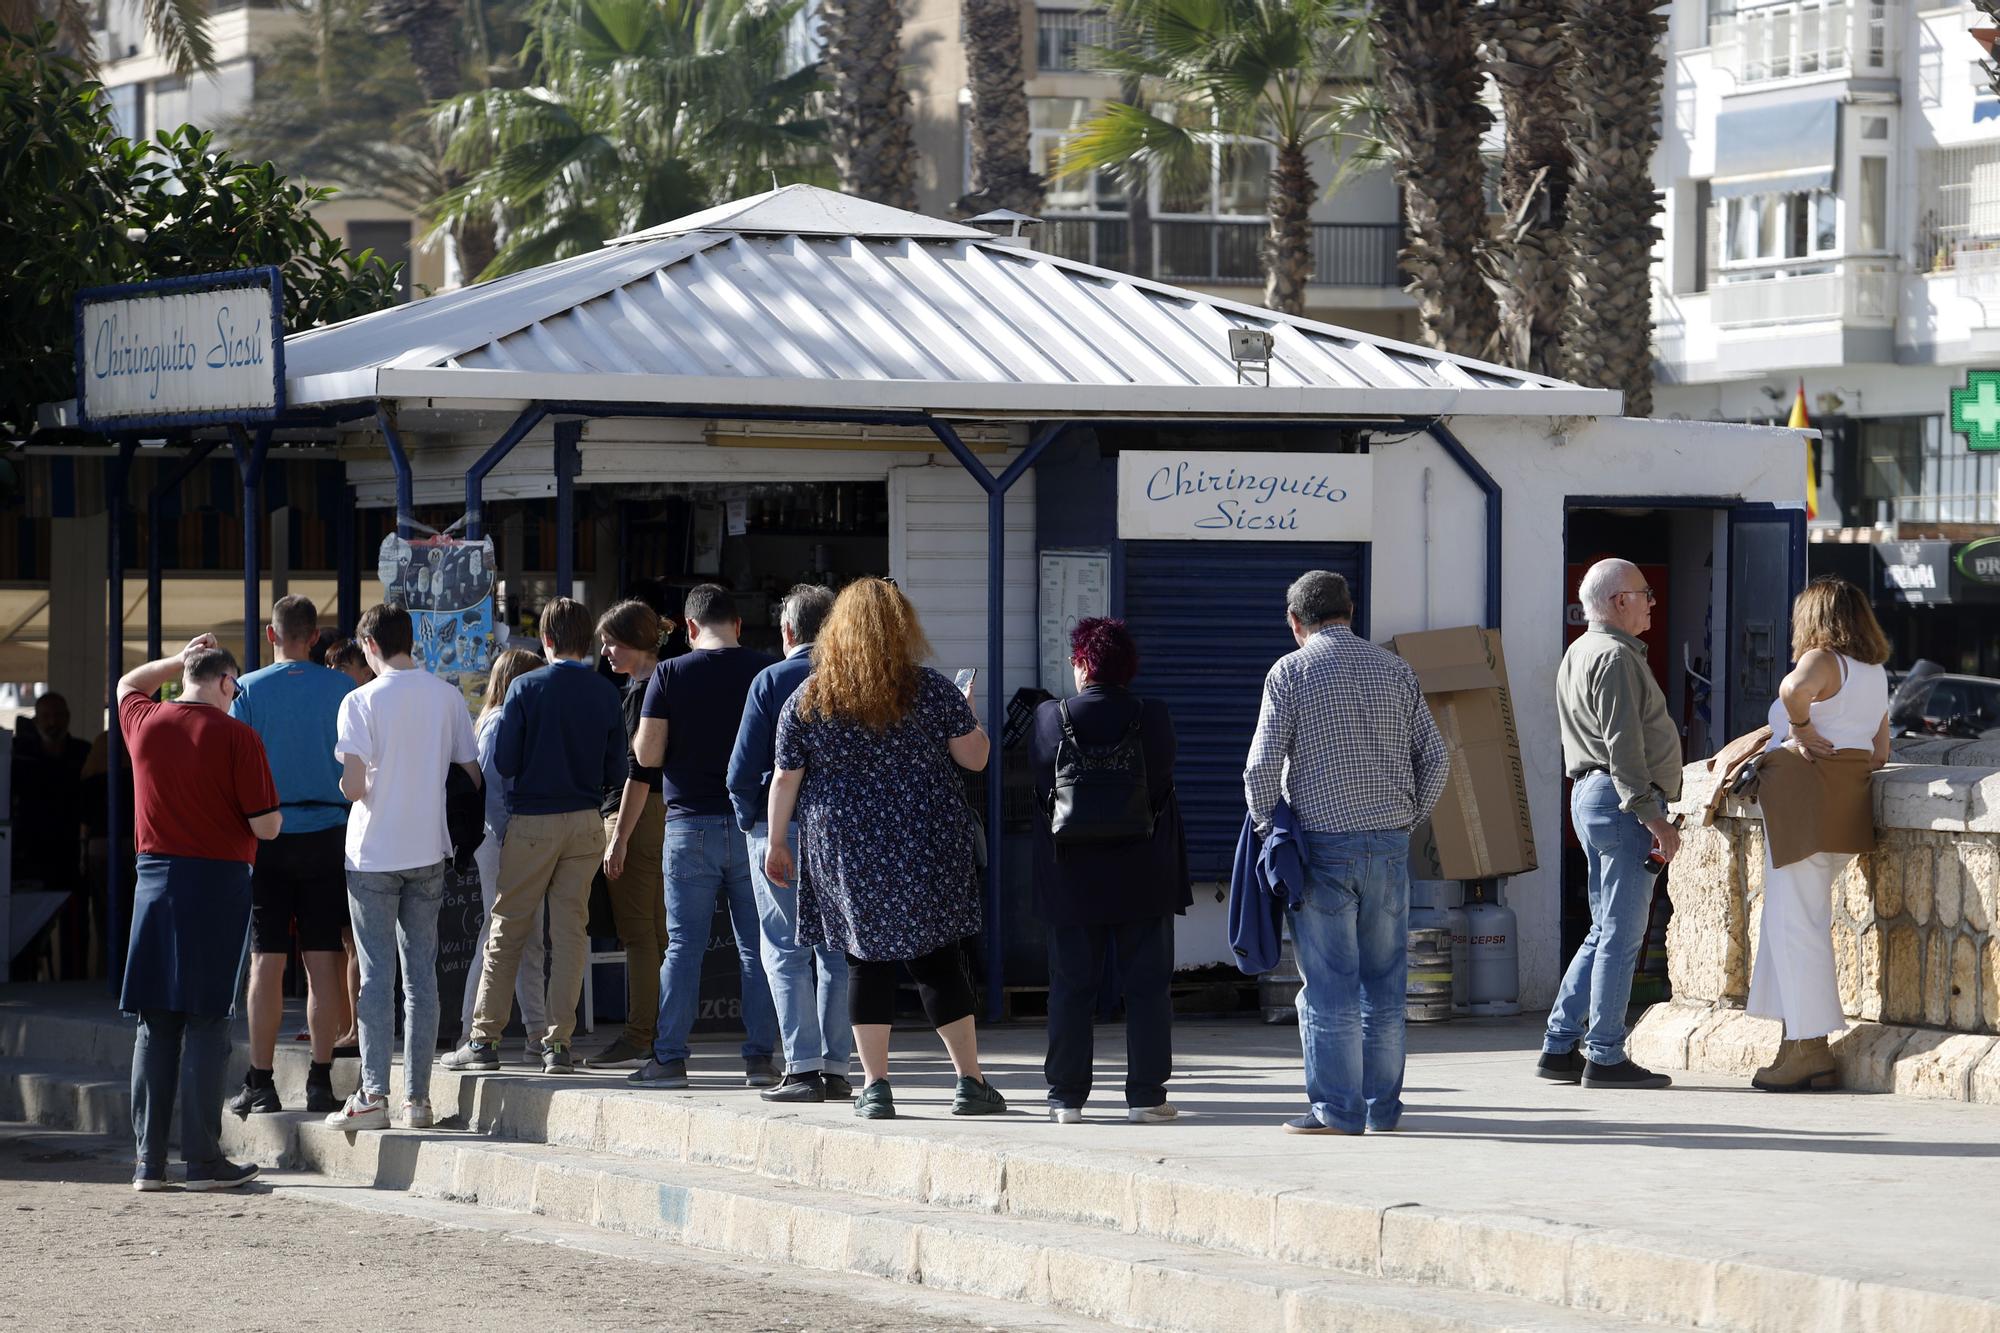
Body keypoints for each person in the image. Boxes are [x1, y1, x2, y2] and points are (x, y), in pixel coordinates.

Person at [763, 578, 1004, 1121]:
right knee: (937, 960)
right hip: (924, 843)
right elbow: (977, 759)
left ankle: (875, 1088)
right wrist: (968, 712)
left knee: (863, 963)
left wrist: (777, 842)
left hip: (845, 850)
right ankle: (970, 1083)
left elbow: (785, 777)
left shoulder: (809, 696)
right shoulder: (932, 690)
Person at [1243, 571, 1448, 1135]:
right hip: (1388, 846)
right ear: (1351, 611)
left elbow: (1261, 768)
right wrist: (1407, 818)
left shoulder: (1291, 671)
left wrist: (1268, 833)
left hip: (1322, 852)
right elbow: (1437, 759)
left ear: (1294, 623)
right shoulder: (1396, 669)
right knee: (1384, 986)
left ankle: (1336, 1111)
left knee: (1330, 986)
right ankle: (1382, 1111)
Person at [118, 635, 281, 1191]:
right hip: (217, 884)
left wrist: (178, 658)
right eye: (233, 687)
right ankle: (204, 1160)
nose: (235, 696)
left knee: (156, 1023)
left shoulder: (145, 722)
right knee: (208, 1022)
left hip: (154, 884)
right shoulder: (239, 736)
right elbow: (266, 825)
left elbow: (127, 684)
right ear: (223, 681)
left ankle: (148, 1163)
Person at [444, 598, 624, 1076]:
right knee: (570, 936)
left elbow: (502, 763)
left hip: (532, 823)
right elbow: (616, 770)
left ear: (546, 639)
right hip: (585, 822)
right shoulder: (606, 692)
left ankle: (484, 1041)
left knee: (507, 929)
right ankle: (558, 1045)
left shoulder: (524, 688)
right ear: (587, 641)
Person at [325, 603, 481, 1132]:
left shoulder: (358, 700)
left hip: (372, 853)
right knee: (422, 979)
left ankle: (373, 1094)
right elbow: (471, 773)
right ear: (409, 641)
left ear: (368, 646)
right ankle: (417, 1099)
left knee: (375, 978)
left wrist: (369, 779)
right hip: (428, 849)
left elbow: (351, 787)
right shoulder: (446, 695)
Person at [1030, 617, 1190, 1124]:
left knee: (1071, 986)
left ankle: (1066, 1099)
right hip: (1144, 874)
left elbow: (1039, 785)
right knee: (1147, 988)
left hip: (1072, 878)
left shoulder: (1048, 718)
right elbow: (1162, 780)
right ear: (1128, 668)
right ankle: (1146, 1097)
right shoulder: (1155, 715)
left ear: (1081, 664)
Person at [627, 584, 782, 1090]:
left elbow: (648, 756)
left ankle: (669, 1058)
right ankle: (761, 1059)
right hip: (752, 824)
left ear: (689, 629)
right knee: (758, 947)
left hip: (688, 824)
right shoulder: (765, 672)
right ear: (737, 625)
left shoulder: (670, 673)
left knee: (682, 947)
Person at [1540, 557, 1683, 1091]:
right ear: (1619, 600)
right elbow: (1625, 748)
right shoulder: (1617, 658)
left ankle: (1559, 1046)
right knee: (1622, 935)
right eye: (1645, 593)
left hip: (1592, 796)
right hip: (1622, 802)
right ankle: (1603, 1053)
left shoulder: (1581, 650)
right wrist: (1655, 819)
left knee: (1603, 929)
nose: (1651, 601)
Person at [1747, 577, 1892, 1093]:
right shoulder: (1873, 674)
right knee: (1792, 921)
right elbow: (1880, 753)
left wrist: (1803, 730)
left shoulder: (1821, 660)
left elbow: (1791, 691)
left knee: (1795, 925)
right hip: (1841, 807)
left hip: (1802, 806)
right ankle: (1796, 1044)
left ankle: (1810, 1048)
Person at [224, 595, 357, 1118]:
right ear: (317, 635)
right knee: (324, 957)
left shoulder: (249, 691)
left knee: (267, 959)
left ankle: (261, 1080)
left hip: (268, 832)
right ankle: (321, 1080)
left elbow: (232, 769)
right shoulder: (344, 688)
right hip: (331, 830)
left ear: (271, 634)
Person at [726, 584, 853, 1103]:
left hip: (782, 832)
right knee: (838, 953)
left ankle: (800, 1068)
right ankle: (839, 1067)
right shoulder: (854, 680)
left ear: (787, 632)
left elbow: (742, 770)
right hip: (844, 835)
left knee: (784, 949)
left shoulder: (771, 681)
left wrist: (751, 825)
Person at [586, 600, 670, 1068]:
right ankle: (659, 1030)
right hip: (660, 815)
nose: (606, 651)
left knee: (638, 933)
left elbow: (638, 771)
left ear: (638, 641)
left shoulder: (643, 690)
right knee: (655, 932)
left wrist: (617, 836)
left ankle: (641, 1034)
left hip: (632, 814)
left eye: (613, 642)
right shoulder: (664, 681)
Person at [457, 648, 550, 1057]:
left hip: (504, 840)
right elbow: (495, 793)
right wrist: (516, 839)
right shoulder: (500, 722)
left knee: (520, 937)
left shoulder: (496, 719)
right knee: (502, 935)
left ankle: (534, 1031)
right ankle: (472, 1029)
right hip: (503, 841)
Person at [12, 690, 90, 893]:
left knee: (74, 913)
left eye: (58, 715)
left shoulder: (83, 753)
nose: (53, 722)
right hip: (28, 849)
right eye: (46, 716)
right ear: (36, 720)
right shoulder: (19, 754)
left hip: (70, 847)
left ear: (68, 717)